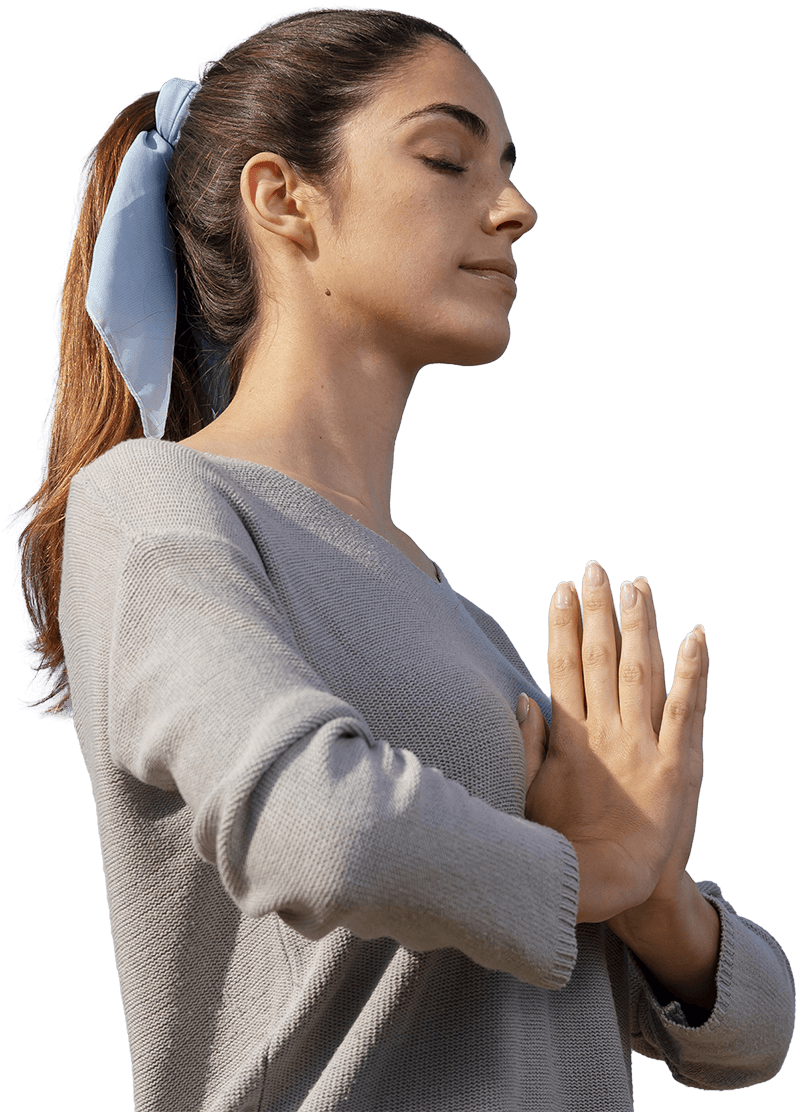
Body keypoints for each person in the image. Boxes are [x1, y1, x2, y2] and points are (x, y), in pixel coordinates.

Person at [6, 8, 794, 1110]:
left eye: (509, 169)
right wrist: (586, 874)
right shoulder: (156, 504)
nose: (513, 208)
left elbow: (749, 1030)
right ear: (285, 199)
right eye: (444, 157)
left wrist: (653, 896)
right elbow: (318, 828)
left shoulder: (466, 626)